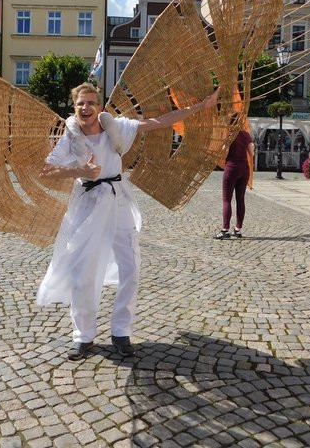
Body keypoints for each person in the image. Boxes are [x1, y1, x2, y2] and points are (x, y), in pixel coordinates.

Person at [37, 82, 221, 360]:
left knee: (131, 268)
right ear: (74, 108)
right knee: (82, 274)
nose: (85, 108)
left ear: (99, 107)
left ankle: (121, 331)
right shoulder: (71, 136)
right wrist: (81, 169)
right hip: (87, 205)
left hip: (118, 200)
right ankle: (83, 336)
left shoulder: (117, 127)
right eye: (80, 104)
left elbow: (159, 122)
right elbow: (46, 172)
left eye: (91, 103)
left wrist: (200, 107)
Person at [214, 116, 254, 239]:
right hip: (244, 168)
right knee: (240, 199)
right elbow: (251, 154)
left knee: (227, 200)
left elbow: (222, 152)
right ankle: (238, 230)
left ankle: (225, 230)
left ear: (230, 123)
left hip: (231, 168)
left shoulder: (229, 135)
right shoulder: (246, 135)